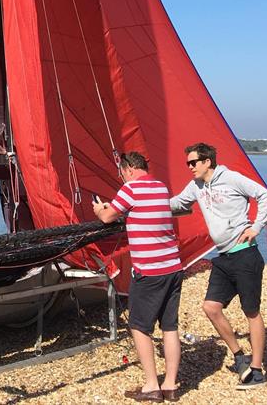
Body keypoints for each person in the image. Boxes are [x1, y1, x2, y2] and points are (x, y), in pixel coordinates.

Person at [170, 143, 267, 390]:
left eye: (193, 162)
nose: (190, 167)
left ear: (207, 162)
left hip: (245, 255)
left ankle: (257, 370)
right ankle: (239, 357)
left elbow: (265, 195)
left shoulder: (232, 178)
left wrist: (256, 227)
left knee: (251, 312)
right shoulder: (196, 186)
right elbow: (175, 203)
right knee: (211, 307)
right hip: (223, 258)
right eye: (188, 163)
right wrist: (139, 205)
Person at [94, 151, 182, 402]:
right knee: (169, 326)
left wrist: (99, 208)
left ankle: (152, 386)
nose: (122, 178)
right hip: (173, 267)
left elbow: (108, 217)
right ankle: (171, 384)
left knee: (139, 326)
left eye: (122, 173)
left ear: (129, 169)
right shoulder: (160, 187)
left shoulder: (130, 189)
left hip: (149, 270)